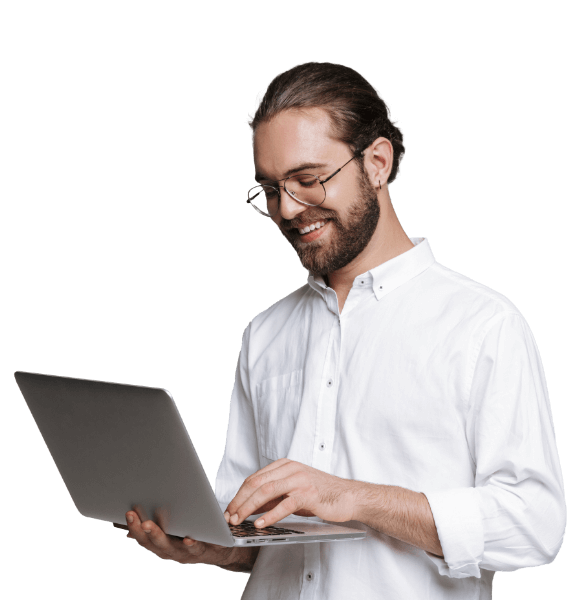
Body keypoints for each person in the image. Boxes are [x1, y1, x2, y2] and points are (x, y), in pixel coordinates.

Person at [125, 62, 566, 598]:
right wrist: (213, 545)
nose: (288, 209)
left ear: (377, 163)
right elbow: (254, 531)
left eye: (308, 180)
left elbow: (533, 525)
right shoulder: (263, 334)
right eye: (270, 189)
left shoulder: (483, 325)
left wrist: (354, 498)